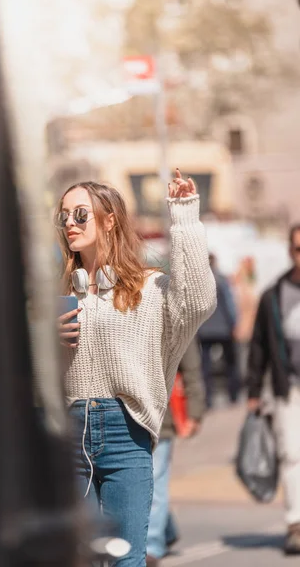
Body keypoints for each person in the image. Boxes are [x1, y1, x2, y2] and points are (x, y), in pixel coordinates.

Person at [55, 170, 216, 566]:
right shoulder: (57, 294)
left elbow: (197, 301)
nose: (69, 225)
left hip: (126, 434)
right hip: (66, 436)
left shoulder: (149, 289)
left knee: (126, 559)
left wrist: (184, 215)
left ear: (109, 219)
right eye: (63, 217)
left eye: (80, 215)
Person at [247, 224, 300, 556]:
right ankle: (296, 524)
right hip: (288, 389)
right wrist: (253, 390)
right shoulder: (274, 294)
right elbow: (259, 346)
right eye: (297, 249)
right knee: (292, 455)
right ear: (290, 251)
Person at [146, 338, 205, 566]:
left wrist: (195, 412)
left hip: (162, 419)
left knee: (154, 481)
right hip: (122, 416)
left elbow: (191, 367)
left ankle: (151, 546)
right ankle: (166, 529)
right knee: (145, 483)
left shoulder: (170, 310)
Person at [198, 253, 239, 409]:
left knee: (205, 366)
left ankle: (208, 399)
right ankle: (233, 395)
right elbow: (229, 303)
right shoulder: (221, 279)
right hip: (223, 329)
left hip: (204, 329)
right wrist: (234, 323)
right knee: (230, 363)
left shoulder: (199, 282)